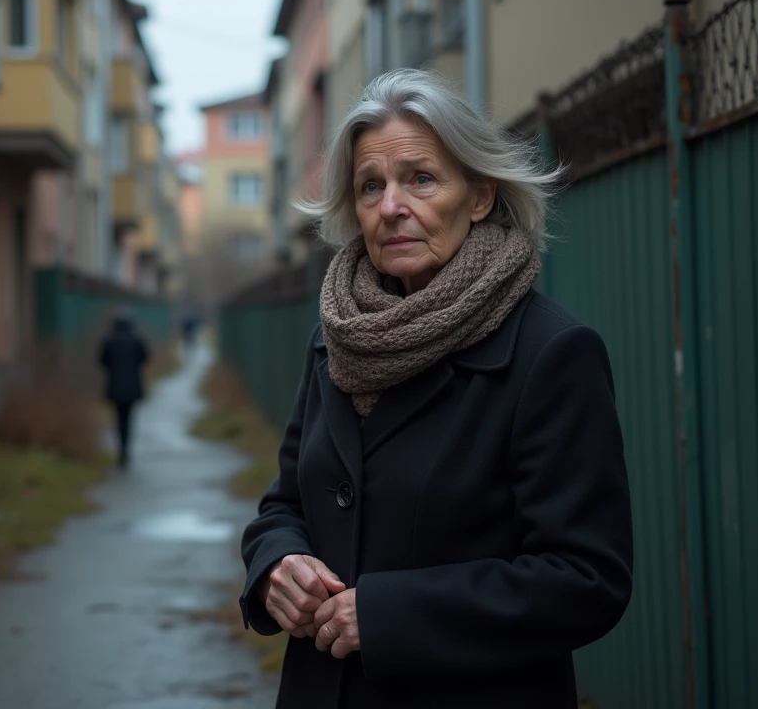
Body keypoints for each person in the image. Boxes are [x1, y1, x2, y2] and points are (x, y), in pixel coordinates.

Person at [239, 69, 633, 708]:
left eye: (420, 178)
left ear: (479, 196)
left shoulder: (551, 354)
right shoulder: (336, 338)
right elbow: (284, 506)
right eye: (371, 186)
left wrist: (393, 616)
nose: (391, 205)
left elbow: (587, 580)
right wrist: (277, 566)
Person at [99, 308, 150, 469]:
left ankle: (121, 450)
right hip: (133, 388)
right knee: (128, 419)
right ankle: (126, 450)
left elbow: (102, 361)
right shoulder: (136, 340)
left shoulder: (109, 340)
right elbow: (145, 358)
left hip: (115, 387)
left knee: (118, 418)